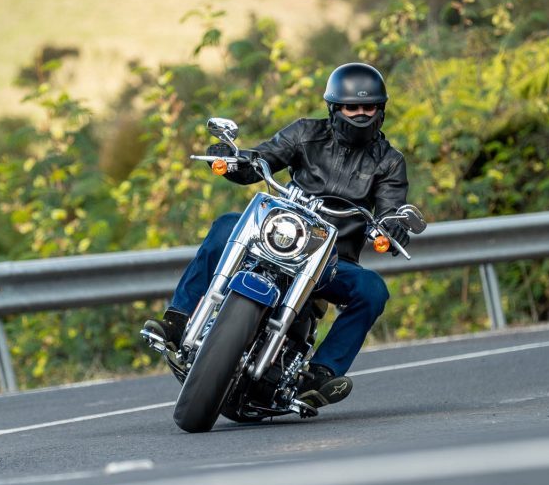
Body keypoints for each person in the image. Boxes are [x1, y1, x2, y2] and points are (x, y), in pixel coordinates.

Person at [144, 62, 410, 410]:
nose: (360, 113)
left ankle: (321, 372)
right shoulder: (304, 133)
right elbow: (264, 157)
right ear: (335, 108)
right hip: (280, 235)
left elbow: (391, 206)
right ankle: (178, 321)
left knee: (373, 289)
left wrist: (392, 225)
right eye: (351, 106)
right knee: (226, 224)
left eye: (368, 106)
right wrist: (234, 159)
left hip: (330, 261)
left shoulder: (389, 162)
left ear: (380, 110)